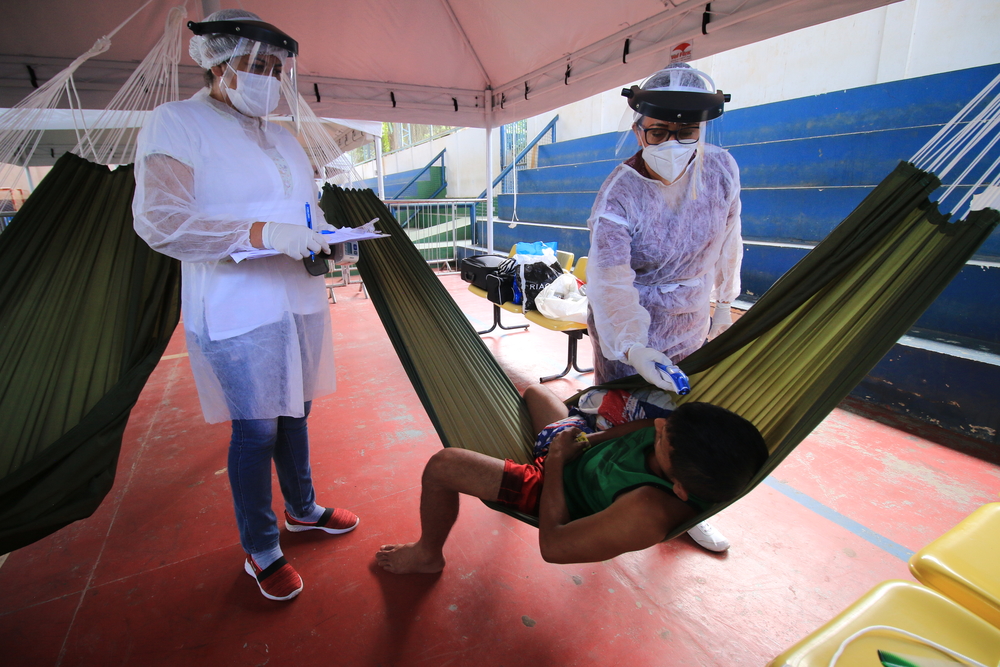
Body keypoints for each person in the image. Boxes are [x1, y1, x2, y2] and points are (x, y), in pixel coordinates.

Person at [132, 9, 357, 602]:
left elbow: (300, 212)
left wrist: (324, 237)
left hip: (298, 299)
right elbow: (162, 222)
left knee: (295, 412)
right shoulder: (175, 124)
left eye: (276, 68)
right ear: (216, 64)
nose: (267, 77)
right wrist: (261, 234)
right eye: (254, 65)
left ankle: (303, 509)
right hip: (235, 306)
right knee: (256, 429)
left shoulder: (284, 135)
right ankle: (261, 548)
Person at [585, 62, 744, 552]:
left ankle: (688, 506)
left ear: (703, 128)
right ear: (638, 129)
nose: (673, 143)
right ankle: (617, 490)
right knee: (626, 415)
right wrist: (632, 347)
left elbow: (729, 239)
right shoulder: (620, 193)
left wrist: (725, 301)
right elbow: (610, 282)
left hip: (692, 319)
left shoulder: (721, 170)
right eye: (659, 132)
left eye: (686, 131)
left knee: (686, 423)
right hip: (631, 324)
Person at [375, 384, 767, 574]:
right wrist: (581, 437)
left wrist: (558, 462)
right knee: (534, 393)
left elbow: (554, 545)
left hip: (551, 488)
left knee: (444, 465)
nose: (659, 426)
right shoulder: (677, 438)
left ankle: (428, 554)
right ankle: (552, 436)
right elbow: (641, 427)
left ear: (679, 488)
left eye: (663, 438)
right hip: (572, 451)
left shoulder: (647, 511)